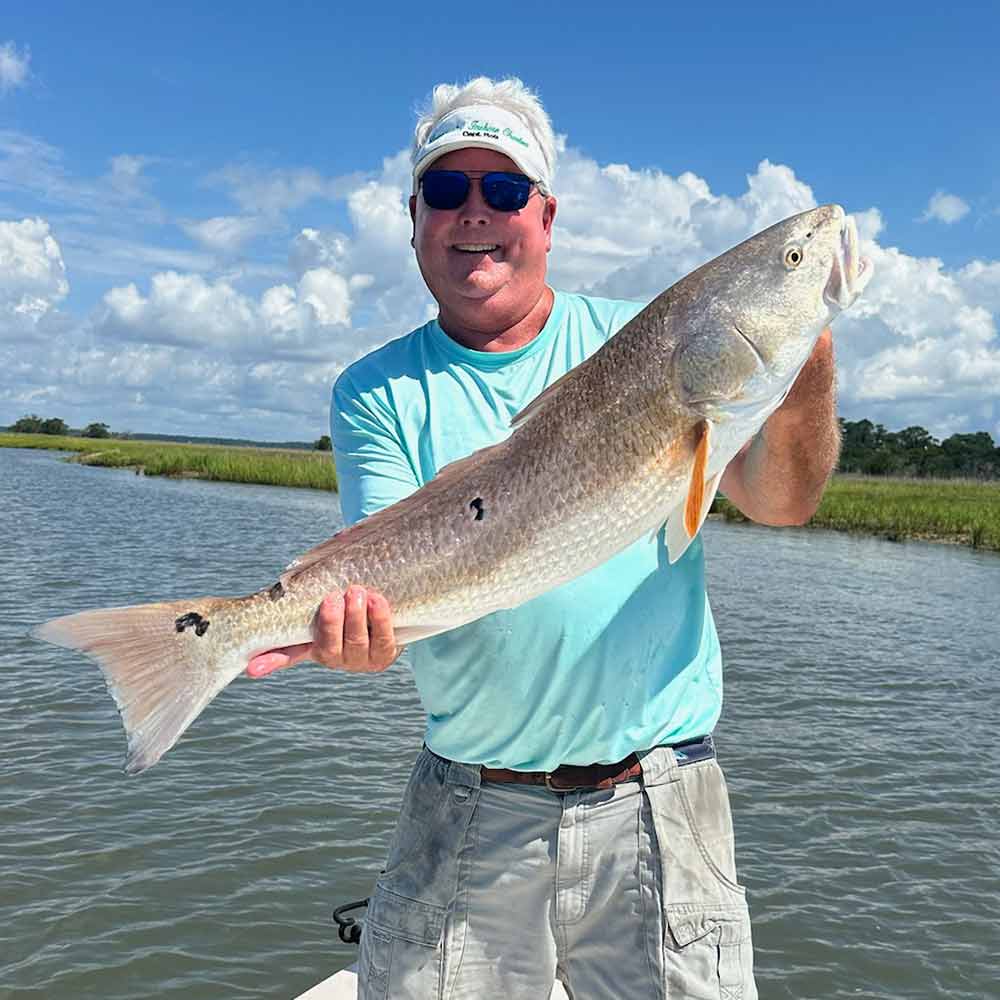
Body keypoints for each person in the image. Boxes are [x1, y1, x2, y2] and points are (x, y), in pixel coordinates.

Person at [247, 77, 839, 999]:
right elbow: (384, 562)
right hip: (469, 800)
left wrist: (805, 363)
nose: (475, 213)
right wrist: (355, 633)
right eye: (447, 192)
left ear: (547, 214)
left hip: (661, 800)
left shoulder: (644, 343)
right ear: (414, 219)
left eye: (506, 190)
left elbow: (783, 504)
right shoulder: (375, 391)